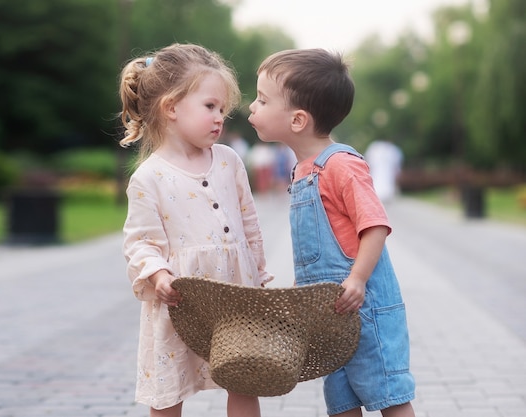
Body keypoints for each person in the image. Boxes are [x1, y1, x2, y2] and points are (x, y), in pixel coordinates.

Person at [248, 48, 416, 417]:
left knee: (388, 393)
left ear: (297, 120)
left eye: (262, 99)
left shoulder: (341, 165)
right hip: (328, 313)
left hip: (364, 305)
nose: (251, 107)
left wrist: (357, 279)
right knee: (340, 400)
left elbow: (375, 225)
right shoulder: (301, 170)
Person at [119, 43, 273, 417]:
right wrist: (157, 275)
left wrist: (259, 273)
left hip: (235, 295)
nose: (219, 117)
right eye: (209, 107)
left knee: (242, 378)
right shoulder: (149, 178)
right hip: (181, 301)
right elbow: (140, 242)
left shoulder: (229, 161)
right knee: (170, 388)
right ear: (171, 108)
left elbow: (249, 223)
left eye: (222, 109)